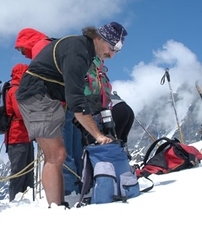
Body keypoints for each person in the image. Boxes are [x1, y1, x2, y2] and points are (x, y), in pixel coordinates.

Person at [16, 22, 128, 207]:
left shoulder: (83, 49)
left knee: (58, 155)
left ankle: (59, 205)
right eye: (111, 47)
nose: (112, 54)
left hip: (45, 97)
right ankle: (56, 207)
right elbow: (76, 98)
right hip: (37, 96)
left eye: (117, 50)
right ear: (99, 38)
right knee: (55, 155)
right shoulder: (78, 52)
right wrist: (98, 135)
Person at [14, 28, 83, 196]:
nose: (22, 54)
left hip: (57, 106)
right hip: (71, 103)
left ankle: (67, 193)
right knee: (75, 150)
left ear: (28, 41)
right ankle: (80, 188)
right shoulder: (54, 45)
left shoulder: (40, 48)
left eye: (22, 49)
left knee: (57, 155)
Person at [5, 63, 34, 201]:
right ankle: (14, 201)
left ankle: (24, 200)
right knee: (19, 172)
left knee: (26, 171)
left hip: (23, 137)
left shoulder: (17, 90)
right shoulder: (16, 91)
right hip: (17, 137)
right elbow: (21, 113)